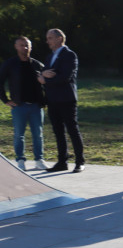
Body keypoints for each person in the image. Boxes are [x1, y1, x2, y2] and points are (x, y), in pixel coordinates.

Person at [39, 29, 85, 173]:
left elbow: (65, 77)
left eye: (50, 38)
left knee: (72, 129)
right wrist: (43, 75)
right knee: (58, 131)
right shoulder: (49, 57)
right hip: (52, 100)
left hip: (66, 99)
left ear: (59, 38)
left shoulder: (70, 55)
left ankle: (79, 162)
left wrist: (45, 80)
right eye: (47, 38)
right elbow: (44, 73)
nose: (47, 41)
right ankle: (62, 162)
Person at [0, 36, 46, 171]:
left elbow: (47, 83)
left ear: (30, 47)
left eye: (27, 45)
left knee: (38, 134)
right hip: (19, 105)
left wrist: (45, 101)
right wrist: (5, 100)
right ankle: (20, 160)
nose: (24, 48)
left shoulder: (37, 64)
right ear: (16, 47)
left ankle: (39, 160)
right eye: (21, 45)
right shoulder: (10, 64)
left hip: (36, 105)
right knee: (19, 134)